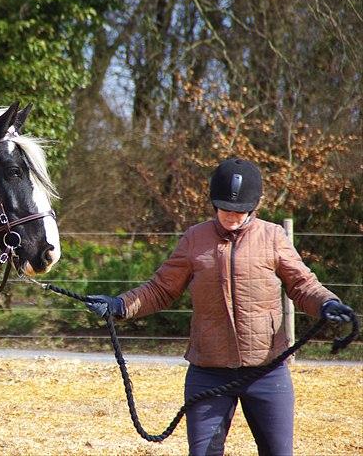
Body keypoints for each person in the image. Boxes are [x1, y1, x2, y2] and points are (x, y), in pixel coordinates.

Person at [85, 157, 355, 456]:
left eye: (241, 211)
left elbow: (303, 285)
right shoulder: (194, 239)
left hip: (267, 372)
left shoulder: (273, 237)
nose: (233, 216)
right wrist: (120, 305)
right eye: (226, 208)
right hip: (208, 372)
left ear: (256, 205)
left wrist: (327, 303)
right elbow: (161, 289)